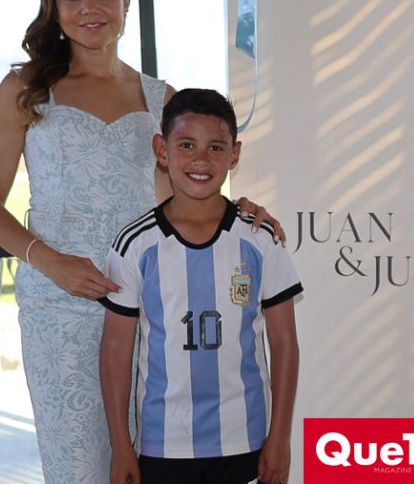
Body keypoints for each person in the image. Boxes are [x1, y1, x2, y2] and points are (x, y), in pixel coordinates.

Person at [0, 0, 282, 483]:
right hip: (61, 314)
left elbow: (184, 194)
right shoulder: (24, 90)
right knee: (81, 470)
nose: (89, 8)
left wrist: (241, 213)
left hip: (152, 308)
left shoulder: (160, 97)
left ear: (126, 1)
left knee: (150, 465)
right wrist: (52, 263)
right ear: (53, 4)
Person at [99, 89, 301, 484]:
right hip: (163, 443)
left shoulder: (260, 239)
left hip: (245, 438)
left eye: (216, 147)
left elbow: (284, 342)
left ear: (234, 154)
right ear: (162, 150)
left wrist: (280, 437)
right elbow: (116, 349)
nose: (201, 159)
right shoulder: (136, 245)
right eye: (187, 145)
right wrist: (121, 444)